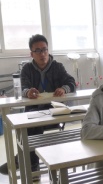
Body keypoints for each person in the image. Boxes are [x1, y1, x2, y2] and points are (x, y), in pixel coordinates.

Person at [0, 34, 76, 176]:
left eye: (45, 49)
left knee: (33, 126)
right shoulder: (27, 69)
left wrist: (64, 89)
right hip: (33, 112)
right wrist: (28, 92)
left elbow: (71, 82)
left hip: (55, 111)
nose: (42, 54)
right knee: (31, 124)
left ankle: (25, 162)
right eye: (38, 51)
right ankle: (30, 163)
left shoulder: (57, 67)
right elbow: (23, 87)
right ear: (32, 54)